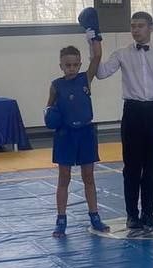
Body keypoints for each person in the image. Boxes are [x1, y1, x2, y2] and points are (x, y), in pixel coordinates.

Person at [95, 10, 153, 231]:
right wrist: (94, 45)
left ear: (150, 28)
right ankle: (131, 215)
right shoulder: (121, 54)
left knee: (152, 166)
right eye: (133, 26)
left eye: (140, 26)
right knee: (132, 167)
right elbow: (101, 73)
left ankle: (148, 213)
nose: (135, 30)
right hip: (132, 112)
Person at [46, 42, 110, 237]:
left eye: (75, 65)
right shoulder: (56, 85)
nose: (72, 68)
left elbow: (97, 57)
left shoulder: (85, 78)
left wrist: (94, 37)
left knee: (88, 176)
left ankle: (95, 216)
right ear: (61, 66)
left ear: (80, 64)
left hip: (85, 133)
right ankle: (61, 220)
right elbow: (48, 109)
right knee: (64, 178)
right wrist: (50, 116)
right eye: (68, 65)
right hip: (65, 135)